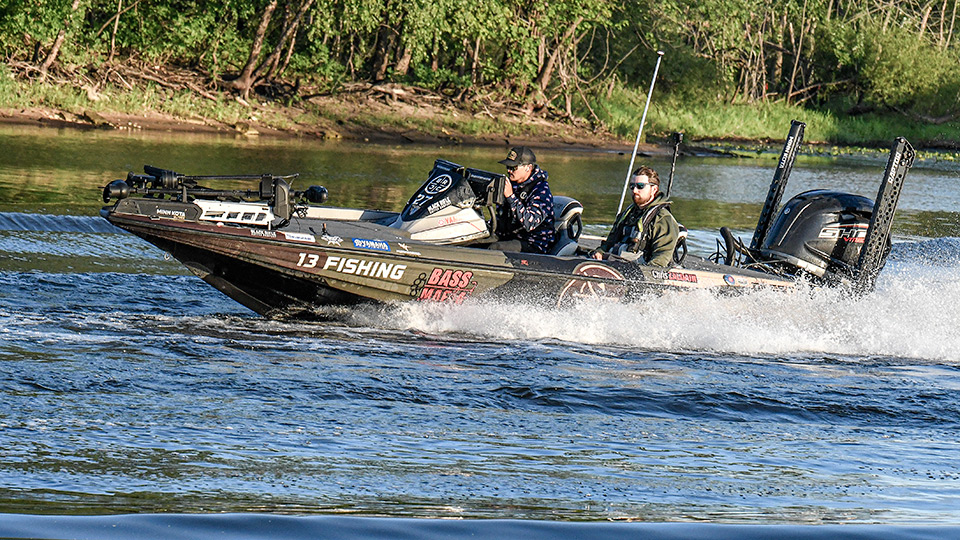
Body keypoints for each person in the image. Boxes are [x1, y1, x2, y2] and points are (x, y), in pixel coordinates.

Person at [591, 166, 680, 266]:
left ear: (654, 189)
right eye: (632, 186)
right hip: (615, 261)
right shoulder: (627, 214)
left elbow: (662, 257)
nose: (634, 190)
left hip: (639, 267)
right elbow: (610, 242)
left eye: (640, 186)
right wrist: (600, 252)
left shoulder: (663, 219)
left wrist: (646, 272)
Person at [488, 146, 556, 254]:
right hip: (509, 236)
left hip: (533, 243)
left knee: (494, 248)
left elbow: (529, 223)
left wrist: (510, 197)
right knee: (474, 240)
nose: (509, 171)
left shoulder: (541, 190)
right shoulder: (513, 183)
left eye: (513, 168)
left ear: (528, 167)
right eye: (508, 167)